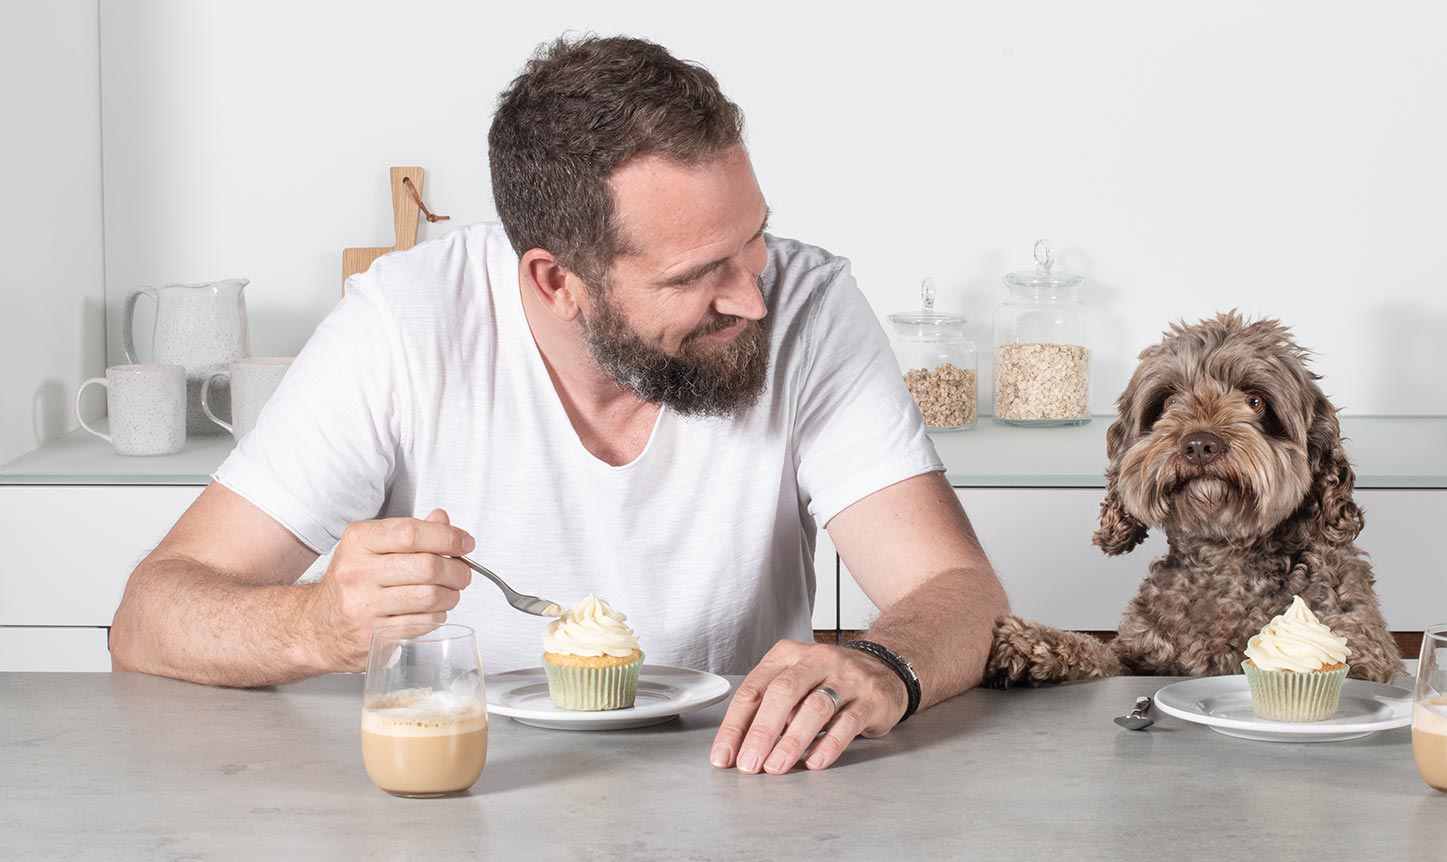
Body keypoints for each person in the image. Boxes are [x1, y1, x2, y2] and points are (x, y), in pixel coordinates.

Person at [109, 34, 1010, 776]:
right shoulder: (403, 324)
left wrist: (884, 664)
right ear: (555, 280)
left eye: (755, 238)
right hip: (467, 792)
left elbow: (957, 591)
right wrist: (318, 624)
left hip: (742, 786)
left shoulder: (809, 307)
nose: (753, 298)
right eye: (698, 275)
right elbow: (150, 618)